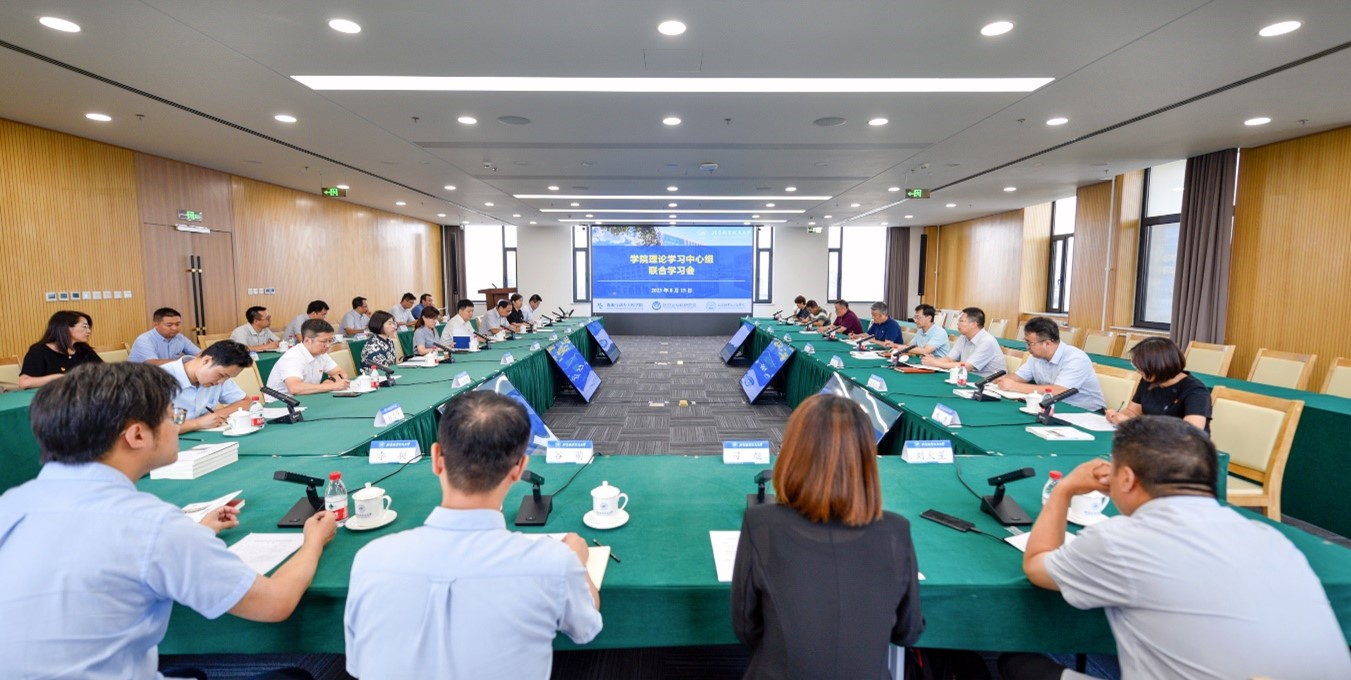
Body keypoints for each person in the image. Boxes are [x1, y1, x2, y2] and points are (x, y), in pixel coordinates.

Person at [0, 362, 337, 679]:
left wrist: (194, 532)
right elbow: (274, 603)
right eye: (172, 416)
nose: (177, 426)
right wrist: (313, 542)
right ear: (137, 435)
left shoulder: (11, 504)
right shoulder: (153, 526)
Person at [1011, 416, 1351, 680]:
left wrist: (1065, 489)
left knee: (1019, 664)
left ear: (1126, 479)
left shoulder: (1120, 540)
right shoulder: (1272, 538)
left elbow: (1037, 564)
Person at [344, 391, 601, 678]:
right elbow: (586, 628)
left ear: (436, 458)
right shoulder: (554, 562)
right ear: (519, 469)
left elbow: (358, 664)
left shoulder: (369, 560)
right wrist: (577, 561)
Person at [732, 393, 923, 679]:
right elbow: (907, 632)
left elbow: (746, 629)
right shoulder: (896, 531)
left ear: (793, 453)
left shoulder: (760, 525)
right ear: (866, 460)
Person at [995, 316, 1106, 411]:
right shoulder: (1035, 357)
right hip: (1053, 407)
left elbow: (1059, 391)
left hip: (1085, 411)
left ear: (1047, 343)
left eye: (1030, 343)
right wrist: (1001, 381)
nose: (1027, 347)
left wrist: (1015, 386)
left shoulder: (1075, 358)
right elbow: (1019, 376)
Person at [1105, 337, 1212, 432]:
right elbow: (1133, 411)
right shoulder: (1149, 379)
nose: (1138, 371)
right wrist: (1119, 416)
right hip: (1150, 439)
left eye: (1141, 368)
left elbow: (1191, 432)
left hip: (1181, 445)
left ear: (1159, 366)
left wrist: (1134, 424)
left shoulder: (1196, 391)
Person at [160, 340, 254, 432]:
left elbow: (245, 402)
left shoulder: (220, 377)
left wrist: (217, 415)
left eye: (228, 377)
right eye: (221, 375)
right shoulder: (159, 379)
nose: (221, 382)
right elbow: (156, 428)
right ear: (206, 361)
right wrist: (198, 423)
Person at [264, 319, 350, 399]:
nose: (328, 345)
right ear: (307, 341)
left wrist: (329, 382)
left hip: (307, 398)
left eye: (330, 341)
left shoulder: (321, 354)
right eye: (323, 341)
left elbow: (341, 373)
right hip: (281, 404)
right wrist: (331, 386)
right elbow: (294, 388)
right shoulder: (293, 357)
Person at [18, 310, 103, 389]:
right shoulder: (39, 351)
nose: (88, 331)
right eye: (84, 327)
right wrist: (60, 378)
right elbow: (24, 382)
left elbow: (104, 372)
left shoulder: (84, 349)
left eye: (88, 327)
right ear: (66, 328)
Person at [923, 307, 1006, 374]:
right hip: (968, 376)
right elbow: (950, 359)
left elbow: (967, 366)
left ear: (974, 324)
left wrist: (935, 363)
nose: (957, 323)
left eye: (961, 321)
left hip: (990, 382)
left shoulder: (987, 341)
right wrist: (932, 361)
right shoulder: (963, 337)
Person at [129, 307, 201, 365]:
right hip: (141, 376)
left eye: (177, 324)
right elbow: (153, 363)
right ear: (155, 325)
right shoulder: (144, 340)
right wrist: (184, 361)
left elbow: (199, 354)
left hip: (166, 374)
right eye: (169, 325)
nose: (174, 328)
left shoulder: (180, 338)